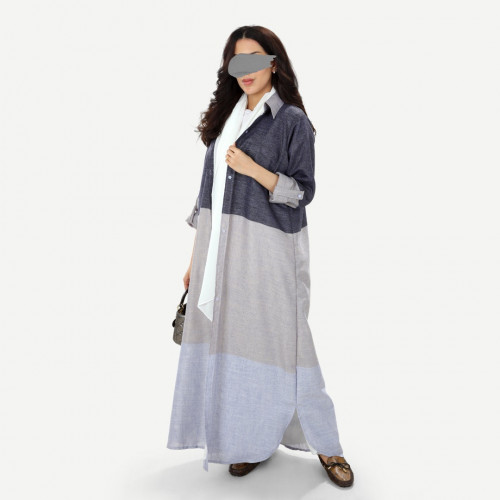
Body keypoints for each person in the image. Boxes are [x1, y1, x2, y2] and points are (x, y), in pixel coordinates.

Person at [167, 25, 354, 488]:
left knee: (289, 342)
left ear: (273, 62)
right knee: (237, 344)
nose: (245, 70)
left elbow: (302, 192)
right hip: (220, 253)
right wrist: (195, 259)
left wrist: (254, 169)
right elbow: (206, 197)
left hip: (270, 251)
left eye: (254, 58)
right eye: (237, 60)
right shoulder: (226, 120)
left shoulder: (291, 120)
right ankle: (250, 440)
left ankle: (327, 444)